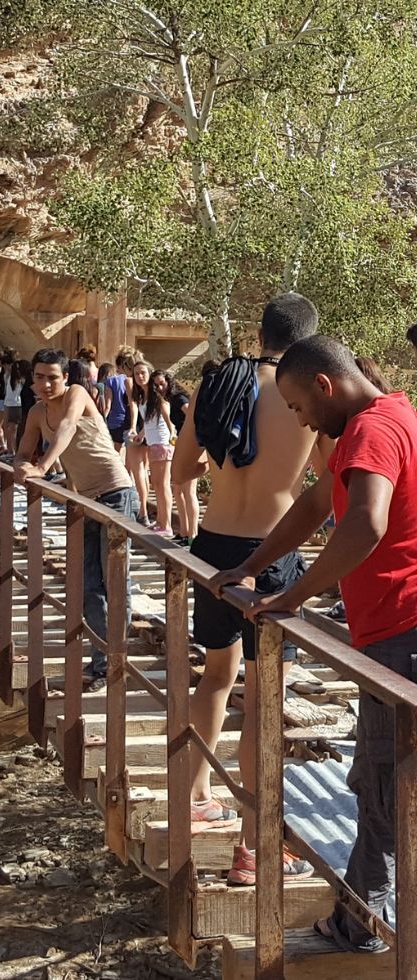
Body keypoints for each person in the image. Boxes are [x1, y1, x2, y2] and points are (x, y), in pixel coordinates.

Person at [212, 335, 417, 949]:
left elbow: (365, 520)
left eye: (299, 407)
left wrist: (291, 596)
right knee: (386, 779)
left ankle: (361, 925)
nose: (299, 419)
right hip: (396, 626)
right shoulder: (397, 414)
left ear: (325, 387)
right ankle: (368, 916)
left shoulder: (368, 432)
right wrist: (254, 565)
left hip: (398, 629)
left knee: (381, 782)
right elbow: (315, 504)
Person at [171, 291, 320, 886]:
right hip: (272, 554)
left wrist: (229, 463)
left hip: (212, 546)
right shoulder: (306, 394)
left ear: (260, 333)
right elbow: (329, 487)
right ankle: (253, 848)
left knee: (214, 676)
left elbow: (182, 470)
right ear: (309, 341)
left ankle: (196, 794)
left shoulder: (218, 384)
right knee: (263, 700)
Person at [14, 348, 138, 692]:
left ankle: (117, 659)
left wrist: (42, 466)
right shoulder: (37, 412)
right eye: (40, 377)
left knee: (115, 582)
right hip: (84, 500)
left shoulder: (78, 394)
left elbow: (67, 428)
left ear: (65, 377)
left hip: (116, 494)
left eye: (53, 377)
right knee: (89, 586)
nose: (46, 383)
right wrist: (21, 464)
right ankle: (101, 663)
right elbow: (23, 450)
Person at [127, 361, 175, 534]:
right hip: (153, 442)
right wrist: (142, 434)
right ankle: (161, 521)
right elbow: (150, 421)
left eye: (143, 372)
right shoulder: (143, 397)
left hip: (162, 443)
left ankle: (166, 524)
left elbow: (168, 421)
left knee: (163, 485)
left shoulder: (158, 397)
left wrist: (172, 436)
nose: (140, 376)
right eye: (136, 373)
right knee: (156, 484)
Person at [153, 370, 199, 545]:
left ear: (169, 382)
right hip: (181, 443)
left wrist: (190, 438)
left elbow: (192, 415)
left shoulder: (179, 398)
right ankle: (184, 532)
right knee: (178, 489)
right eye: (156, 385)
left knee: (188, 491)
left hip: (189, 445)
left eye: (161, 384)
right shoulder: (171, 399)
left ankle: (193, 535)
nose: (159, 388)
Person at [104, 349, 135, 451]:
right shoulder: (134, 380)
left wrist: (103, 419)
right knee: (132, 452)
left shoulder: (111, 381)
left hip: (115, 420)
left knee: (115, 451)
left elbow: (108, 404)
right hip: (129, 420)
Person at [3, 357, 29, 454]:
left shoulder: (9, 377)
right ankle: (16, 452)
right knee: (16, 430)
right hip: (18, 404)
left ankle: (11, 451)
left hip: (9, 404)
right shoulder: (22, 380)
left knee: (10, 429)